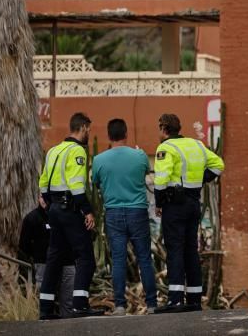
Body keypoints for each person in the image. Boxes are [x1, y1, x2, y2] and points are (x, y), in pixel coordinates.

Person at [152, 113, 225, 313]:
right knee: (191, 251)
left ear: (163, 127)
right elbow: (219, 165)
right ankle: (194, 299)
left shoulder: (166, 148)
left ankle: (175, 300)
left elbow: (161, 179)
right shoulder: (197, 145)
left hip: (174, 206)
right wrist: (201, 180)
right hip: (194, 204)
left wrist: (158, 203)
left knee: (175, 250)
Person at [38, 112, 103, 319]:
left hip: (55, 210)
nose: (88, 134)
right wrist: (88, 210)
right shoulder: (77, 151)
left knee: (54, 259)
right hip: (70, 210)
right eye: (88, 130)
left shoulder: (54, 151)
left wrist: (49, 206)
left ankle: (46, 309)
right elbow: (76, 185)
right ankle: (80, 305)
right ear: (83, 127)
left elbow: (43, 182)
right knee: (86, 258)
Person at [92, 118, 158, 315]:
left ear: (108, 136)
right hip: (137, 211)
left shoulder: (98, 160)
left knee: (118, 260)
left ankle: (119, 305)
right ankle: (153, 304)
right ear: (126, 134)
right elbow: (146, 173)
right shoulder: (139, 156)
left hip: (113, 213)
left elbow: (96, 183)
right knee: (145, 258)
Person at [18, 194, 76, 318]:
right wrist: (37, 256)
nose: (44, 200)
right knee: (45, 299)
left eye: (47, 196)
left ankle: (70, 326)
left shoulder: (67, 215)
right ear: (38, 198)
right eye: (40, 196)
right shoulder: (31, 218)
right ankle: (46, 326)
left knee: (68, 299)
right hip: (43, 264)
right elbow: (24, 244)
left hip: (67, 263)